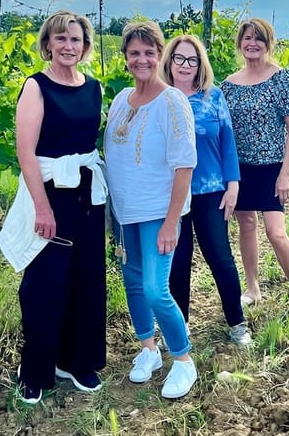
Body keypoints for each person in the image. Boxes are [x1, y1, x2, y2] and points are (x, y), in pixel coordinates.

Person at [11, 10, 107, 404]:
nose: (69, 46)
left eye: (76, 40)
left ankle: (76, 361)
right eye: (61, 39)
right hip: (51, 192)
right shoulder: (36, 87)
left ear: (85, 46)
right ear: (48, 43)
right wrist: (42, 208)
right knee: (44, 285)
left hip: (86, 193)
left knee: (86, 280)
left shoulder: (94, 87)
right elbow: (26, 152)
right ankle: (35, 369)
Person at [104, 21, 199, 399]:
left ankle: (183, 360)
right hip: (126, 212)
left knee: (156, 289)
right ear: (125, 57)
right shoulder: (120, 99)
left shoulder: (172, 100)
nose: (141, 59)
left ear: (160, 56)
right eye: (134, 53)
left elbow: (185, 164)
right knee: (132, 283)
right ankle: (149, 350)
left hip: (159, 212)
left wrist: (172, 221)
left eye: (149, 52)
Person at [221, 18, 289, 322]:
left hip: (272, 168)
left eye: (259, 39)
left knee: (276, 232)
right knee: (246, 226)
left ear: (268, 43)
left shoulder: (281, 79)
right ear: (240, 42)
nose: (252, 43)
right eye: (247, 38)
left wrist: (285, 173)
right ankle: (252, 289)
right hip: (240, 168)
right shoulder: (228, 85)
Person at [161, 35, 252, 347]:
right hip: (172, 196)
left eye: (192, 59)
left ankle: (237, 323)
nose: (185, 65)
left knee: (220, 257)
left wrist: (233, 184)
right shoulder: (161, 99)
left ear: (200, 65)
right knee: (177, 261)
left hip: (210, 191)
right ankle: (179, 327)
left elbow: (228, 142)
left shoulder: (213, 98)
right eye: (179, 58)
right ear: (169, 61)